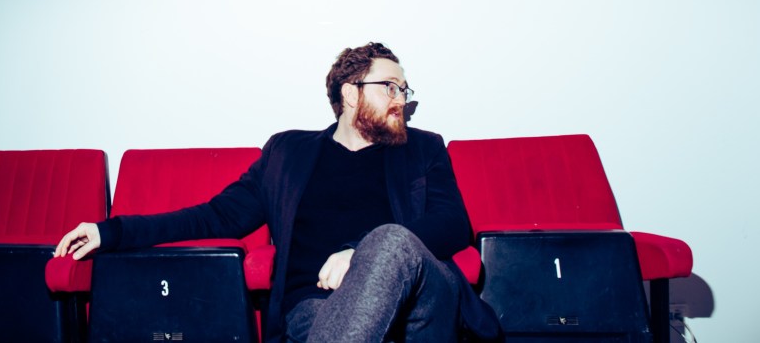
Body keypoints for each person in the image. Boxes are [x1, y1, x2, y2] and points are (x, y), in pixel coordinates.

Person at [55, 42, 501, 343]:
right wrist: (110, 231)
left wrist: (360, 255)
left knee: (388, 240)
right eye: (390, 87)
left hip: (418, 304)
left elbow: (452, 224)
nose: (401, 98)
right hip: (316, 308)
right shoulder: (288, 154)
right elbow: (215, 216)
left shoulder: (422, 147)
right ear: (350, 94)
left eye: (404, 89)